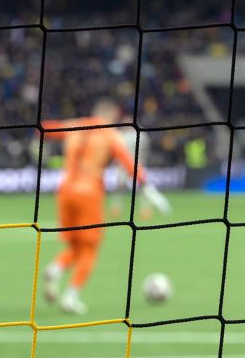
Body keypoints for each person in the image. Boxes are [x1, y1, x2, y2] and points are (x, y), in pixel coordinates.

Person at [40, 100, 168, 314]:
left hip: (64, 192)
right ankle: (71, 297)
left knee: (75, 247)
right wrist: (147, 187)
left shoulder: (75, 126)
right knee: (90, 248)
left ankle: (56, 268)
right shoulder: (109, 135)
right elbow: (129, 163)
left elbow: (45, 129)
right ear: (111, 117)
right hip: (88, 193)